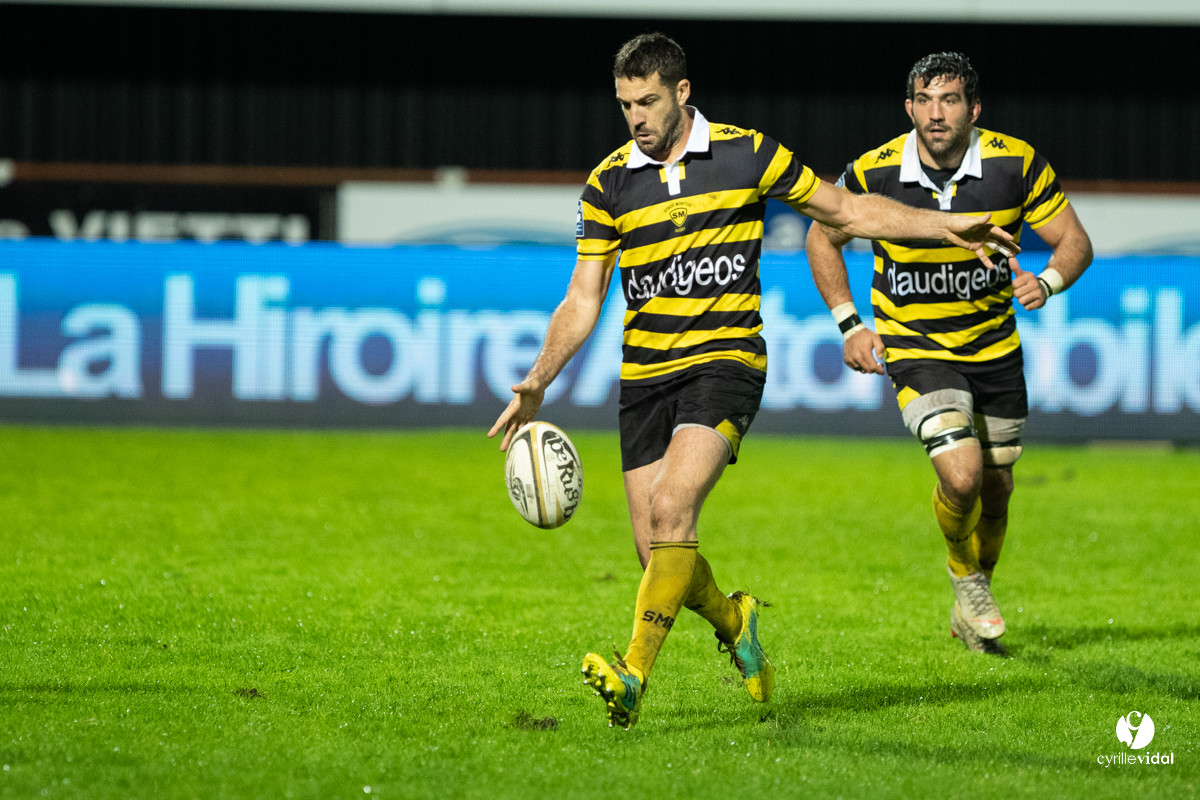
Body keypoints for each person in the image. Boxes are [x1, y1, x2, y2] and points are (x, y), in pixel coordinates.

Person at [488, 34, 1017, 729]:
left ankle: (632, 674)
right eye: (624, 104)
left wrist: (944, 226)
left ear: (682, 93)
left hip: (726, 363)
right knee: (656, 550)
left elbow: (847, 211)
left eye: (646, 101)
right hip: (645, 376)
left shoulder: (747, 153)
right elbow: (583, 296)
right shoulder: (607, 183)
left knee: (675, 507)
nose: (635, 117)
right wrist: (537, 380)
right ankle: (736, 620)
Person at [805, 52, 1093, 655]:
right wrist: (850, 323)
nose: (936, 114)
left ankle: (972, 599)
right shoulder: (874, 171)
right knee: (960, 477)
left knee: (997, 488)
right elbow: (819, 235)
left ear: (974, 109)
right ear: (909, 107)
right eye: (925, 101)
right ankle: (965, 577)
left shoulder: (1015, 164)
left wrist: (1047, 281)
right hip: (915, 347)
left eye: (951, 100)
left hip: (994, 350)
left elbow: (1074, 241)